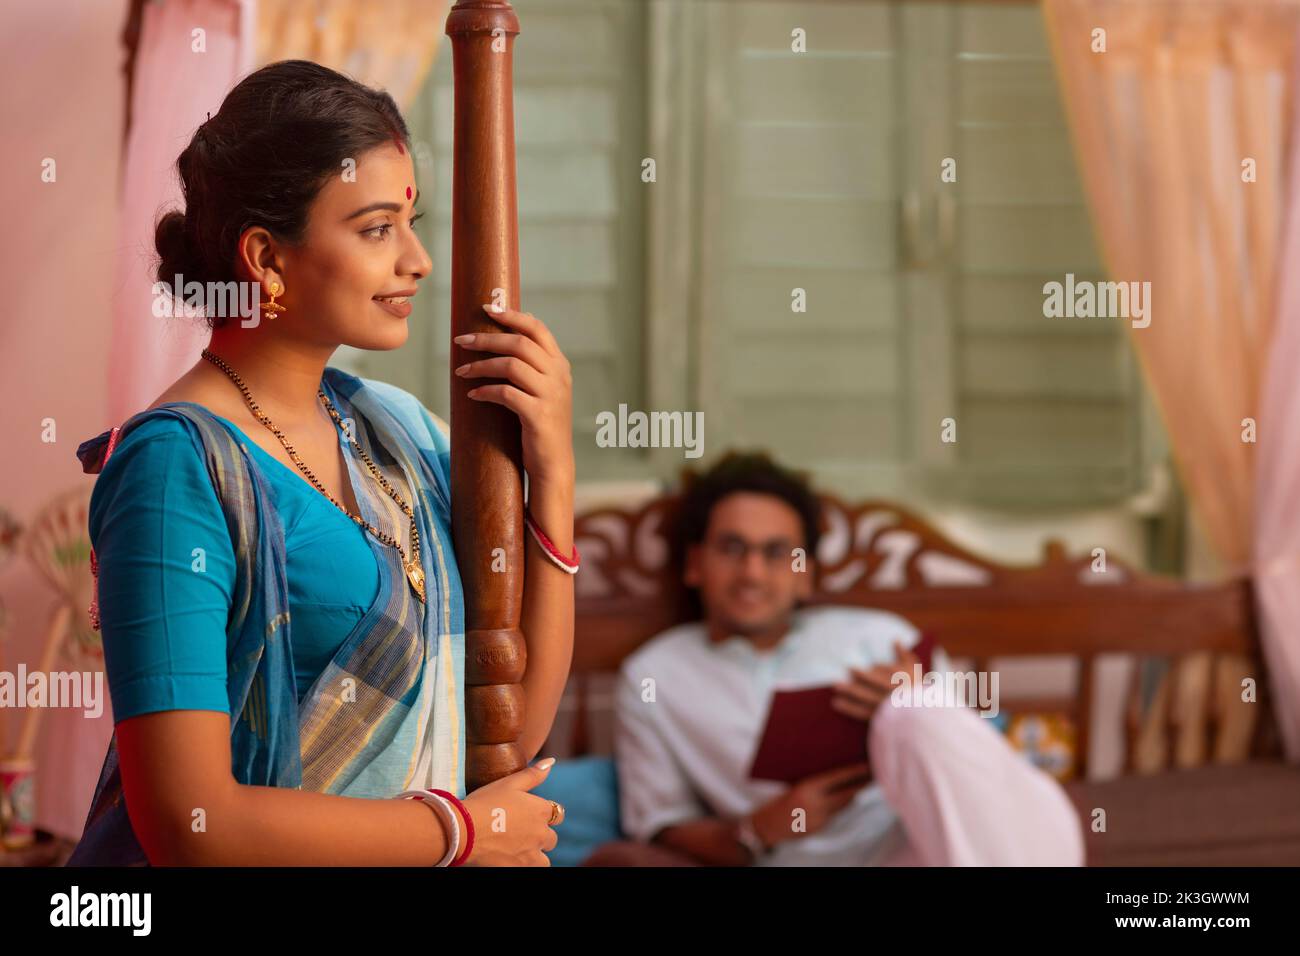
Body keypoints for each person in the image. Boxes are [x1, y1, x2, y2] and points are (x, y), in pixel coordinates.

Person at [67, 61, 575, 867]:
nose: (419, 261)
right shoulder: (176, 468)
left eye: (412, 224)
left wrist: (550, 470)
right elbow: (187, 823)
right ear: (267, 259)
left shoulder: (395, 430)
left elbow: (506, 723)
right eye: (377, 229)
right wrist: (460, 832)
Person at [604, 452, 1085, 866]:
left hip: (934, 839)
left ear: (805, 574)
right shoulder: (653, 677)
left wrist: (914, 705)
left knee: (915, 713)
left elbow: (972, 767)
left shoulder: (881, 638)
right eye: (732, 549)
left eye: (777, 553)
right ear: (694, 564)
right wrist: (758, 830)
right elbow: (660, 825)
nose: (752, 572)